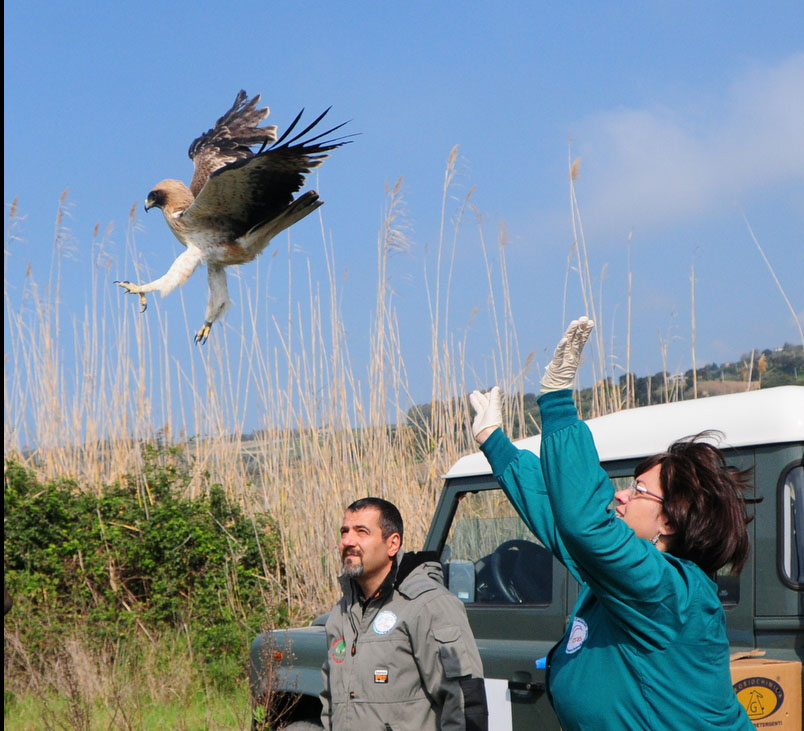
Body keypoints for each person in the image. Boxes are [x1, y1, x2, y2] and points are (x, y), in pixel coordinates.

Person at [470, 317, 752, 730]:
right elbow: (560, 518)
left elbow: (586, 521)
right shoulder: (618, 577)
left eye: (637, 489)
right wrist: (495, 442)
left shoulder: (671, 592)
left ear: (670, 521)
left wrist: (557, 401)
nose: (620, 495)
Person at [320, 497, 488, 730]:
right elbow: (329, 703)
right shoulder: (340, 614)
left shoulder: (428, 605)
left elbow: (464, 701)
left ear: (392, 544)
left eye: (361, 532)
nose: (348, 541)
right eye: (344, 532)